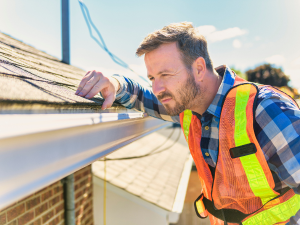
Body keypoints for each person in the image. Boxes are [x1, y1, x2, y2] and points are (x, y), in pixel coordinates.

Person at [75, 22, 300, 225]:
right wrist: (114, 82)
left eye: (166, 74)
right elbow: (143, 96)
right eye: (153, 77)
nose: (157, 88)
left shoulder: (265, 109)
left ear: (199, 69)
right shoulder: (187, 108)